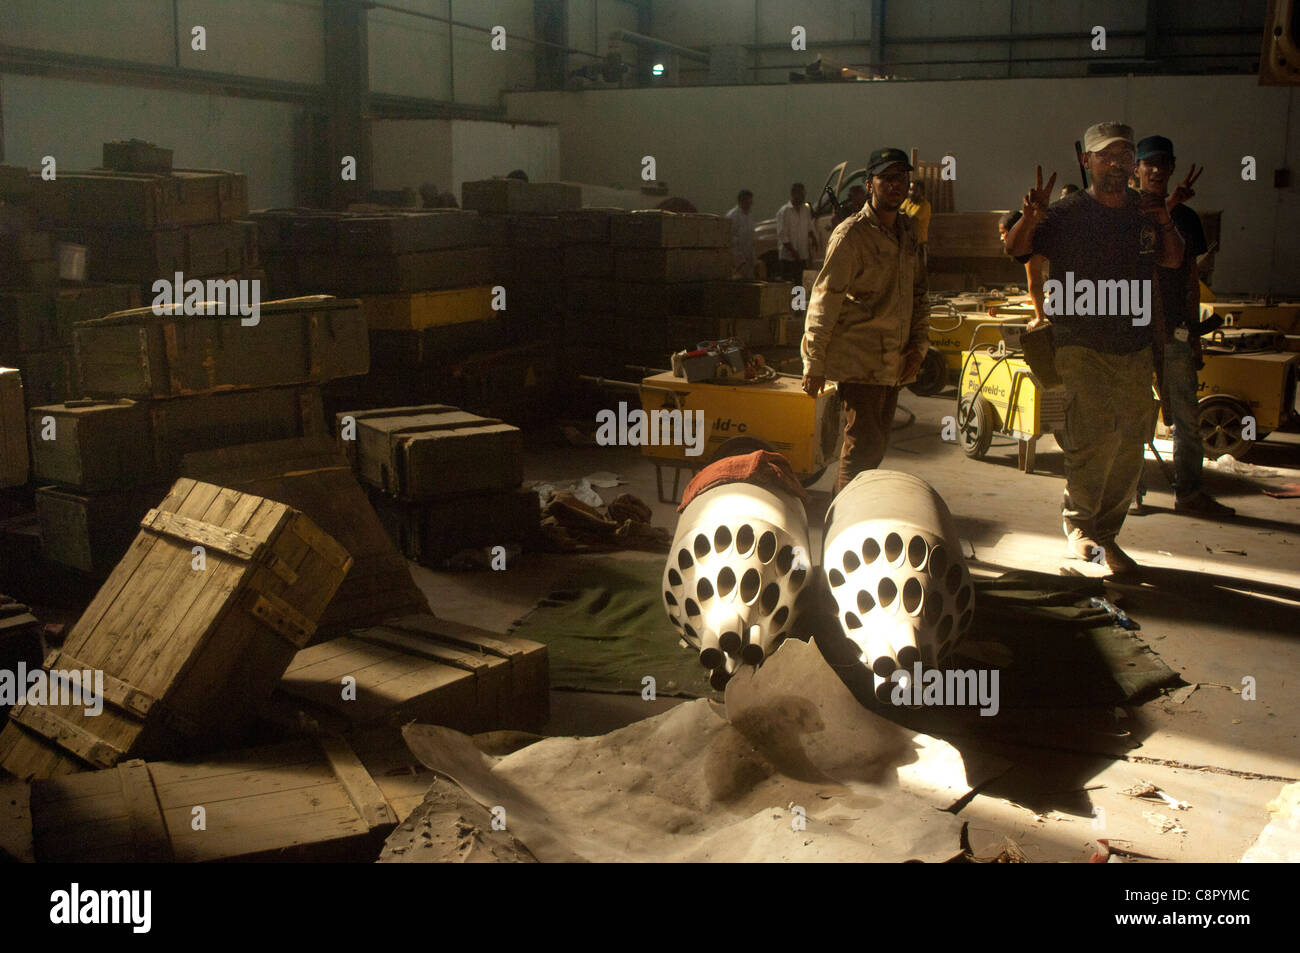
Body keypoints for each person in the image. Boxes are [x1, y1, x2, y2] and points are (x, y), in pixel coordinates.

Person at [1005, 122, 1184, 574]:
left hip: (1134, 344)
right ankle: (1080, 527)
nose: (1117, 163)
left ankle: (1107, 533)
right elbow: (1016, 248)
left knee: (1131, 441)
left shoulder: (1143, 213)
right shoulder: (1065, 213)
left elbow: (1173, 258)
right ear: (1086, 161)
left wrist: (1163, 214)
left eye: (1124, 155)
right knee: (1093, 435)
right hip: (1080, 343)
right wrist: (1032, 215)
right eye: (1106, 155)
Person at [801, 148, 929, 494]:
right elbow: (824, 301)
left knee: (873, 452)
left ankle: (850, 521)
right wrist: (813, 362)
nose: (895, 186)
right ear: (870, 183)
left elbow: (919, 295)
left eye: (900, 179)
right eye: (886, 178)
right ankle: (840, 531)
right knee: (859, 453)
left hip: (894, 363)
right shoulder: (851, 236)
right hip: (860, 363)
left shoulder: (909, 232)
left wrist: (918, 348)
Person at [1134, 135, 1233, 517]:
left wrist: (1193, 333)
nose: (1156, 170)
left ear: (1172, 167)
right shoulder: (1126, 212)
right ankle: (1132, 492)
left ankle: (1189, 491)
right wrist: (1170, 203)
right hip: (1136, 331)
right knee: (1134, 415)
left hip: (1175, 328)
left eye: (1163, 163)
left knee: (1187, 415)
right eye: (1149, 163)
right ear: (1137, 169)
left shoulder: (1188, 219)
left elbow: (1190, 276)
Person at [999, 210, 1049, 326]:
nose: (1002, 238)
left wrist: (1039, 318)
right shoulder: (1041, 236)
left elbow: (1035, 284)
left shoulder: (1030, 247)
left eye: (1003, 233)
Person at [776, 183, 818, 282]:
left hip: (802, 255)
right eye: (800, 194)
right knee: (788, 284)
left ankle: (799, 298)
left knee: (800, 285)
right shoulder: (784, 212)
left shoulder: (805, 210)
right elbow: (783, 236)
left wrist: (814, 239)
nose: (803, 197)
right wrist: (794, 253)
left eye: (804, 195)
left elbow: (809, 227)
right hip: (788, 258)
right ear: (793, 194)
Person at [726, 189, 757, 279]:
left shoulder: (750, 216)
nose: (750, 203)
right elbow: (731, 240)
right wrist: (739, 261)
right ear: (741, 200)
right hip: (737, 262)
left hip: (749, 259)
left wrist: (754, 260)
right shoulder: (732, 216)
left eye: (751, 201)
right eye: (748, 200)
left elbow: (751, 240)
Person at [900, 180, 932, 258]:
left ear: (922, 192)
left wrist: (901, 215)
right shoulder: (907, 202)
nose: (912, 192)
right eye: (910, 190)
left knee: (919, 269)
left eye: (915, 190)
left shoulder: (924, 205)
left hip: (919, 245)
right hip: (906, 244)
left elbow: (912, 220)